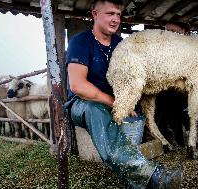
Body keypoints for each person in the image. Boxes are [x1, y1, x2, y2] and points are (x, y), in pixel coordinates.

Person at [64, 0, 182, 188]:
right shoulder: (81, 42)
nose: (115, 19)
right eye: (110, 14)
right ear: (95, 14)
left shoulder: (122, 44)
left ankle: (137, 172)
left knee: (149, 103)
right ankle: (151, 176)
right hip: (83, 104)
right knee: (96, 110)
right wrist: (116, 103)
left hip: (117, 102)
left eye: (118, 15)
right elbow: (78, 85)